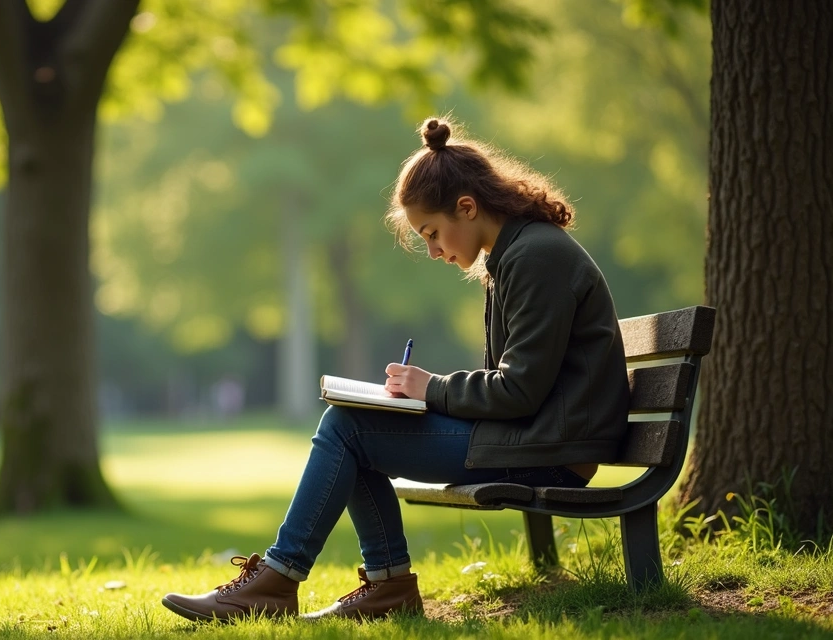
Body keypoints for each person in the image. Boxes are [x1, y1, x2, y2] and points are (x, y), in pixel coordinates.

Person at [161, 118, 630, 623]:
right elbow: (520, 385)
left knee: (346, 428)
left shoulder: (535, 257)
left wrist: (431, 389)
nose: (432, 250)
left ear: (467, 207)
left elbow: (519, 389)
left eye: (431, 233)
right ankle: (380, 587)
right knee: (351, 423)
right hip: (541, 436)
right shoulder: (516, 256)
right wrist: (424, 396)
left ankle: (282, 582)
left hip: (552, 448)